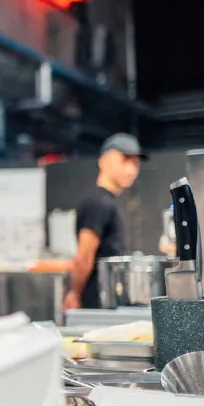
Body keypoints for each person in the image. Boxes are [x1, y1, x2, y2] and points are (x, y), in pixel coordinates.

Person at [63, 133, 145, 311]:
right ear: (103, 160)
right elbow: (84, 256)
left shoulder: (107, 202)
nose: (132, 169)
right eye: (125, 160)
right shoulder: (98, 203)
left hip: (107, 301)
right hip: (97, 303)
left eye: (136, 163)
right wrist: (74, 294)